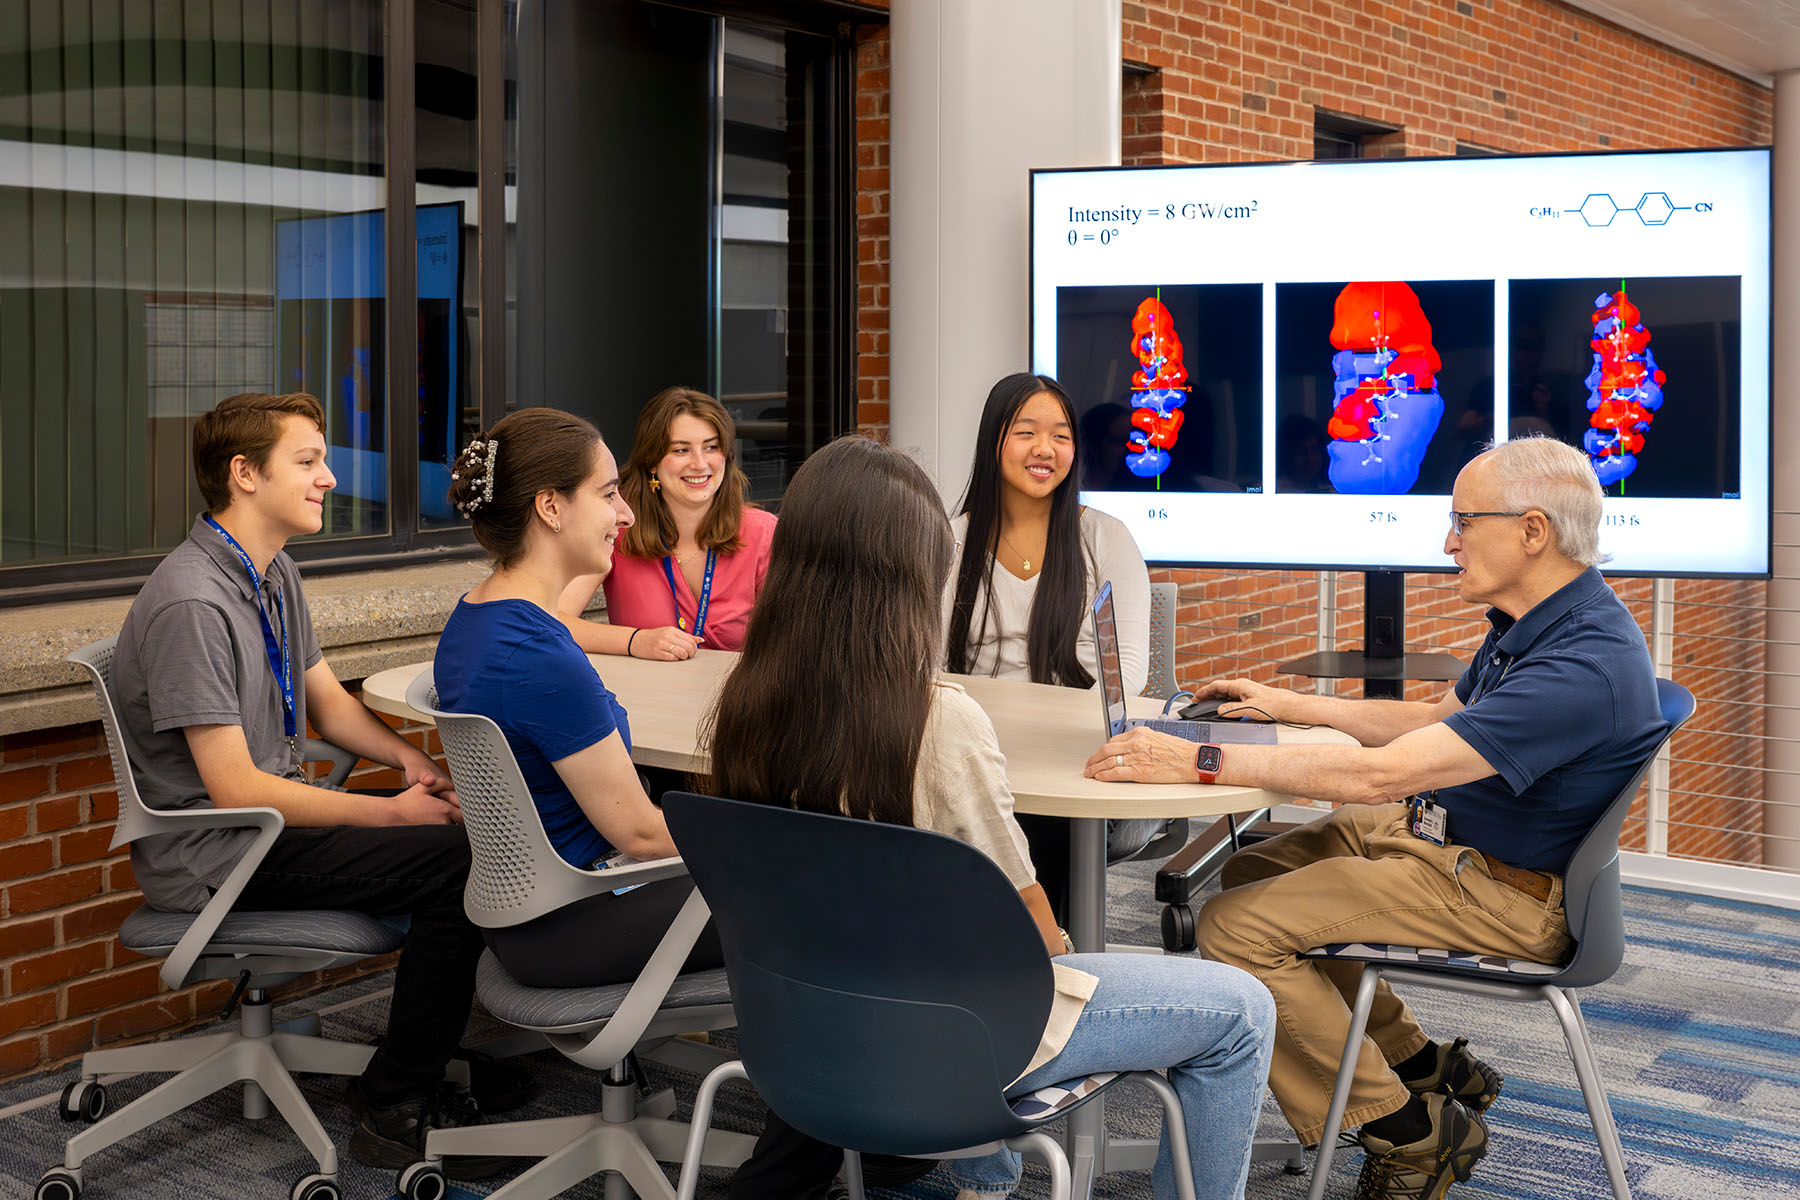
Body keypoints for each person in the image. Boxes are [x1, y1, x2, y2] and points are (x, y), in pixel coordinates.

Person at [1085, 436, 1667, 1199]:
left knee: (1235, 928)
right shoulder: (1537, 620)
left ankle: (1408, 1131)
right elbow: (1431, 721)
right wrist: (1289, 704)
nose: (1447, 541)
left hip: (1502, 890)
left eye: (1463, 520)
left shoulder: (1581, 665)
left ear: (1533, 531)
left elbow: (1380, 776)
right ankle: (1421, 1065)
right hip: (1449, 840)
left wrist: (1197, 759)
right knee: (1254, 867)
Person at [705, 435, 1277, 1200]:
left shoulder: (741, 708)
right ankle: (988, 1160)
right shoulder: (939, 723)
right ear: (911, 576)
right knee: (1242, 1009)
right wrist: (1069, 949)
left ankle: (986, 1178)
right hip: (953, 1041)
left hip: (804, 1029)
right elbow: (1020, 917)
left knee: (947, 945)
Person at [111, 391, 522, 1178]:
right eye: (308, 461)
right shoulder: (194, 602)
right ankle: (397, 1101)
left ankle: (425, 1057)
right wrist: (393, 819)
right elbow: (234, 788)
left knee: (471, 836)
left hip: (267, 824)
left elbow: (328, 701)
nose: (330, 478)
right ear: (245, 475)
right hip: (217, 851)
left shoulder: (270, 573)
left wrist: (413, 766)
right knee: (460, 863)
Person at [432, 408, 724, 986]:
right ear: (551, 507)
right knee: (818, 888)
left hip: (539, 910)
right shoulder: (539, 655)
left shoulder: (475, 618)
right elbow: (640, 835)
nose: (626, 513)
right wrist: (771, 846)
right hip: (581, 914)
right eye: (609, 493)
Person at [944, 372, 1155, 916]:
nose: (1046, 449)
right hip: (983, 749)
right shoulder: (950, 540)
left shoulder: (1105, 538)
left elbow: (1127, 672)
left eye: (1061, 436)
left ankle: (1049, 964)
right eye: (1027, 432)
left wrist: (1057, 735)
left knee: (1038, 828)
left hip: (1077, 753)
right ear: (994, 441)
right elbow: (927, 665)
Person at [556, 386, 776, 659]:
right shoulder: (618, 529)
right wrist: (635, 640)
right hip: (644, 697)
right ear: (652, 461)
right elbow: (552, 621)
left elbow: (789, 639)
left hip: (737, 698)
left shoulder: (764, 533)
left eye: (711, 447)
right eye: (681, 450)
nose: (699, 463)